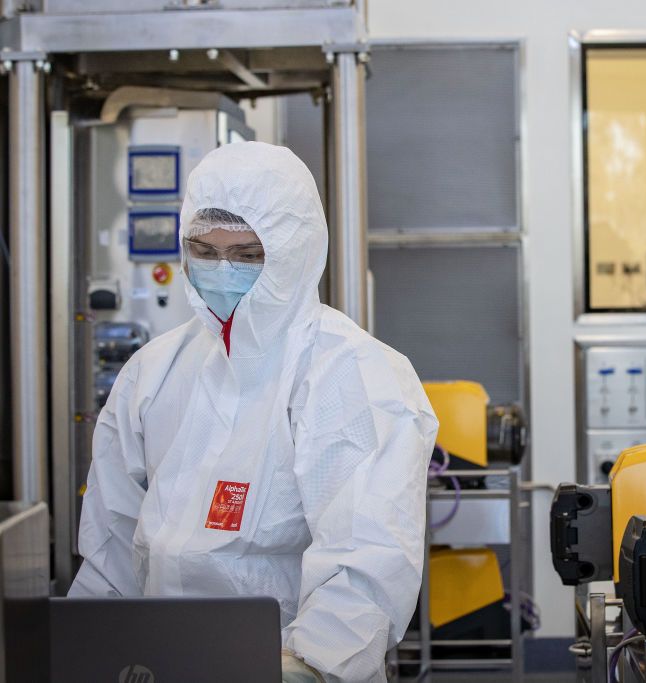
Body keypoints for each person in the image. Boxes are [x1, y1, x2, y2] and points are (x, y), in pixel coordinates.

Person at [70, 141, 439, 683]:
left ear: (297, 253)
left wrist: (307, 668)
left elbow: (365, 561)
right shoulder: (154, 372)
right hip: (154, 665)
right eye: (204, 250)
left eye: (247, 255)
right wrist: (99, 648)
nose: (222, 271)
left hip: (284, 667)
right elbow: (112, 538)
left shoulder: (353, 376)